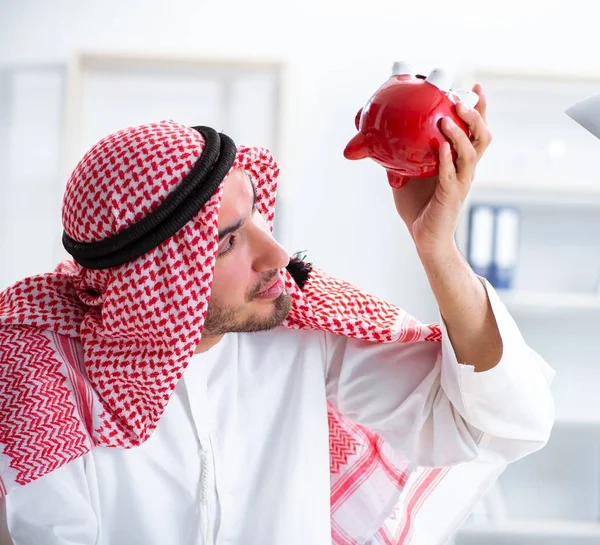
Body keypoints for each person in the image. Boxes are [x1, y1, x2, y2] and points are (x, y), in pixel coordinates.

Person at [0, 85, 555, 545]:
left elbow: (499, 422)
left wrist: (437, 248)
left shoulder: (297, 330)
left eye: (258, 218)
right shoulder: (45, 378)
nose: (278, 257)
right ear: (156, 280)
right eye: (226, 243)